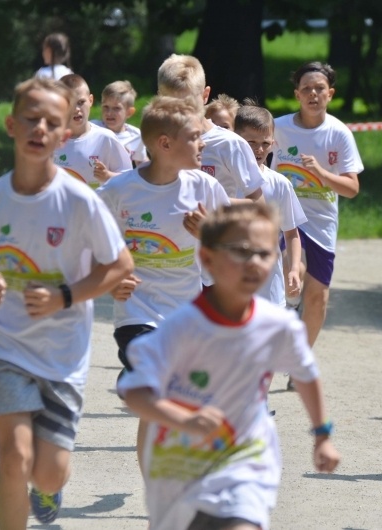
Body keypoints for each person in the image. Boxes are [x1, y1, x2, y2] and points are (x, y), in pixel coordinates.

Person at [0, 77, 134, 528]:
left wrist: (64, 297)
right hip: (6, 345)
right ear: (11, 125)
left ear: (64, 134)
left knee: (48, 470)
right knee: (12, 455)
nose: (39, 128)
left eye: (50, 123)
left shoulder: (79, 201)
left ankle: (48, 490)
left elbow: (119, 265)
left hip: (63, 353)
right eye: (30, 119)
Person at [117, 202, 340, 530]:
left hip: (246, 458)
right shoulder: (180, 328)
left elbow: (306, 375)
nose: (253, 262)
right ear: (207, 258)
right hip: (178, 465)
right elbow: (133, 392)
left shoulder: (280, 326)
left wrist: (322, 434)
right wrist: (183, 418)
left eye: (264, 253)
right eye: (240, 251)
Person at [97, 95, 230, 470]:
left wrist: (210, 234)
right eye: (194, 136)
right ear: (165, 144)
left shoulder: (204, 188)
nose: (202, 143)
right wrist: (110, 283)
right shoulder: (118, 192)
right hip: (137, 313)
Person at [271, 61, 363, 389]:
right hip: (281, 219)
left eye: (319, 89)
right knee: (287, 274)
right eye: (307, 89)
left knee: (318, 298)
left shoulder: (338, 133)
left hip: (321, 223)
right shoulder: (277, 128)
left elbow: (352, 188)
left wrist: (321, 174)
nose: (313, 94)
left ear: (330, 94)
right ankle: (285, 310)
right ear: (296, 94)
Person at [157, 54, 264, 202]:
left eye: (189, 102)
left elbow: (259, 204)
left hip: (216, 224)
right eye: (172, 102)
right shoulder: (157, 139)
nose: (181, 110)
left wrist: (212, 204)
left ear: (205, 95)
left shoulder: (229, 144)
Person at [234, 100, 306, 308]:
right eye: (251, 142)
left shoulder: (280, 184)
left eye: (265, 143)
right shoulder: (223, 181)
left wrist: (293, 268)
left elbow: (291, 233)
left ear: (273, 143)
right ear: (236, 141)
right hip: (229, 280)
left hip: (269, 287)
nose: (259, 149)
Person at [54, 74, 132, 188]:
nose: (76, 109)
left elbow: (129, 177)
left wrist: (108, 176)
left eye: (81, 102)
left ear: (90, 100)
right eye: (69, 104)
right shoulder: (52, 141)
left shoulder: (105, 138)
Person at [91, 80, 149, 167]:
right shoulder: (93, 128)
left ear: (129, 112)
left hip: (122, 179)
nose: (109, 113)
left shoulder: (135, 136)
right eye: (106, 107)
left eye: (116, 108)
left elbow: (141, 162)